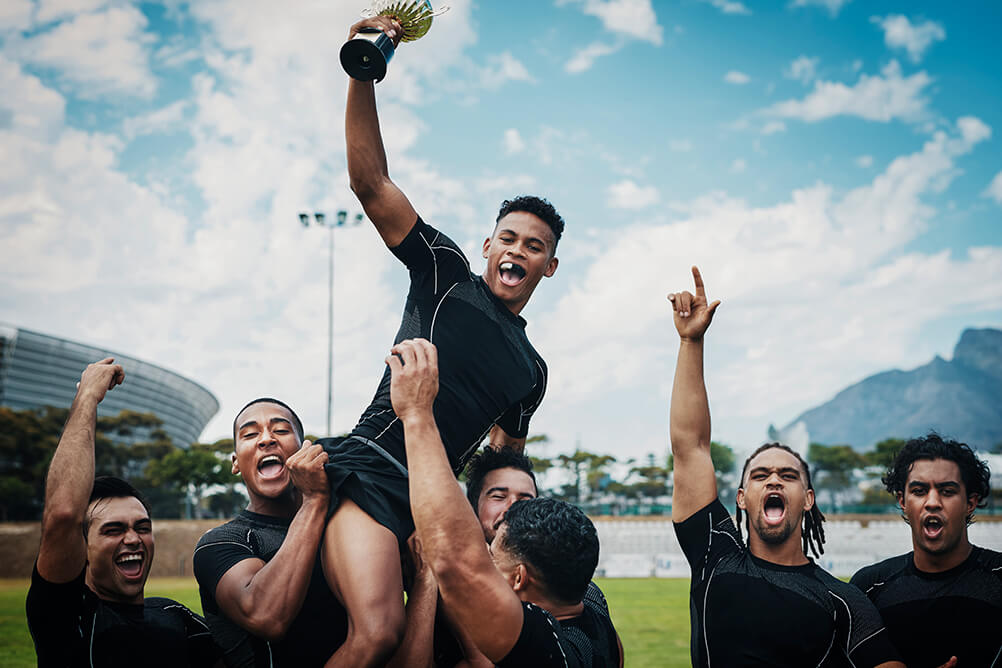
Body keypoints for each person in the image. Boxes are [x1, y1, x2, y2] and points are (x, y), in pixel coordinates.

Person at [318, 15, 564, 666]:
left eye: (534, 247)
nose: (517, 250)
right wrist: (363, 73)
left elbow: (501, 462)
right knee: (375, 637)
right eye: (508, 238)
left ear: (549, 266)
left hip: (437, 512)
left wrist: (510, 528)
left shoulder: (532, 373)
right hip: (371, 475)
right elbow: (370, 184)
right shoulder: (447, 274)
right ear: (488, 246)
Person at [667, 268, 906, 667]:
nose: (774, 478)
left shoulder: (842, 601)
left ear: (808, 499)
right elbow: (690, 446)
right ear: (741, 499)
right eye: (760, 475)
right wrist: (691, 341)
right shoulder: (715, 555)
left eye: (788, 475)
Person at [385, 338, 622, 667]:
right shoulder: (590, 603)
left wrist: (416, 414)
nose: (511, 508)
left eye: (496, 557)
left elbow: (459, 564)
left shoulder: (544, 645)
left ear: (519, 578)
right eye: (499, 496)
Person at [25, 358, 221, 667]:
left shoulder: (176, 618)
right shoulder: (66, 616)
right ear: (81, 549)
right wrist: (88, 396)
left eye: (142, 527)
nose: (133, 539)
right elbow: (63, 514)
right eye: (113, 530)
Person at [193, 398, 348, 667]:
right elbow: (266, 617)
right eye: (250, 434)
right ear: (235, 462)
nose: (266, 439)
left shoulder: (343, 528)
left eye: (281, 430)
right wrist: (313, 500)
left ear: (303, 450)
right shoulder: (221, 543)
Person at [850, 434, 1001, 667]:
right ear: (902, 501)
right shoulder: (868, 587)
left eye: (947, 491)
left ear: (970, 503)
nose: (932, 502)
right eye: (919, 491)